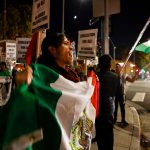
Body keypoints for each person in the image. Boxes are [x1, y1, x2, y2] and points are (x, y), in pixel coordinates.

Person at [16, 31, 80, 86]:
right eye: (66, 43)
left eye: (70, 44)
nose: (71, 48)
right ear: (53, 50)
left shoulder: (71, 72)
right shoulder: (43, 76)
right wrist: (23, 75)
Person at [95, 54, 119, 150]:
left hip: (97, 112)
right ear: (109, 65)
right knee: (109, 141)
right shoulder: (115, 77)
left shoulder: (95, 77)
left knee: (101, 142)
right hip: (109, 111)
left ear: (99, 64)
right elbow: (117, 94)